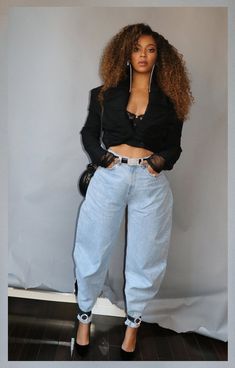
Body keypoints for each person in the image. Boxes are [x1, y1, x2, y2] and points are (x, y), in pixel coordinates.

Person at [72, 23, 194, 360]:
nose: (143, 55)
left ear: (160, 56)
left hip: (150, 184)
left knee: (146, 257)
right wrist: (102, 159)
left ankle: (132, 328)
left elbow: (174, 146)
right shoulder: (104, 93)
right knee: (91, 247)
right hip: (109, 178)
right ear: (125, 52)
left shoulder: (171, 100)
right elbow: (88, 133)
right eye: (137, 48)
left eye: (150, 49)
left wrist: (157, 164)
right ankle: (84, 318)